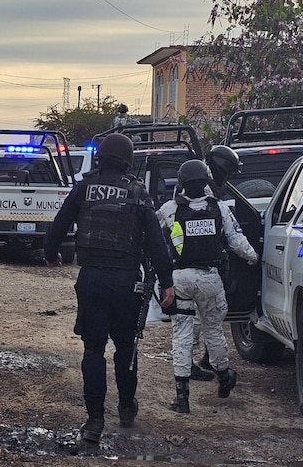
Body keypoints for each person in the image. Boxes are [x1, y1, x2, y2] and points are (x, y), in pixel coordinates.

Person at [43, 132, 176, 445]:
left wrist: (51, 255)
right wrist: (168, 282)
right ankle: (127, 408)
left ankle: (94, 420)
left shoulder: (84, 188)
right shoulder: (139, 193)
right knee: (126, 348)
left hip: (91, 281)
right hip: (127, 283)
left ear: (101, 158)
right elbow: (157, 244)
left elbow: (58, 227)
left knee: (93, 350)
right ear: (128, 161)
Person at [158, 159, 258, 414]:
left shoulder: (170, 209)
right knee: (213, 331)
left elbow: (153, 234)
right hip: (210, 280)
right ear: (206, 182)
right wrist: (252, 257)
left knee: (181, 334)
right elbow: (237, 240)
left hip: (179, 279)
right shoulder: (220, 208)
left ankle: (182, 399)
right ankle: (224, 378)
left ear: (181, 183)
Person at [188, 145, 244, 381]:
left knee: (208, 318)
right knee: (196, 320)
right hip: (199, 262)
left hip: (207, 260)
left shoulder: (209, 184)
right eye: (229, 171)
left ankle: (206, 361)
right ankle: (191, 365)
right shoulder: (202, 188)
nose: (229, 176)